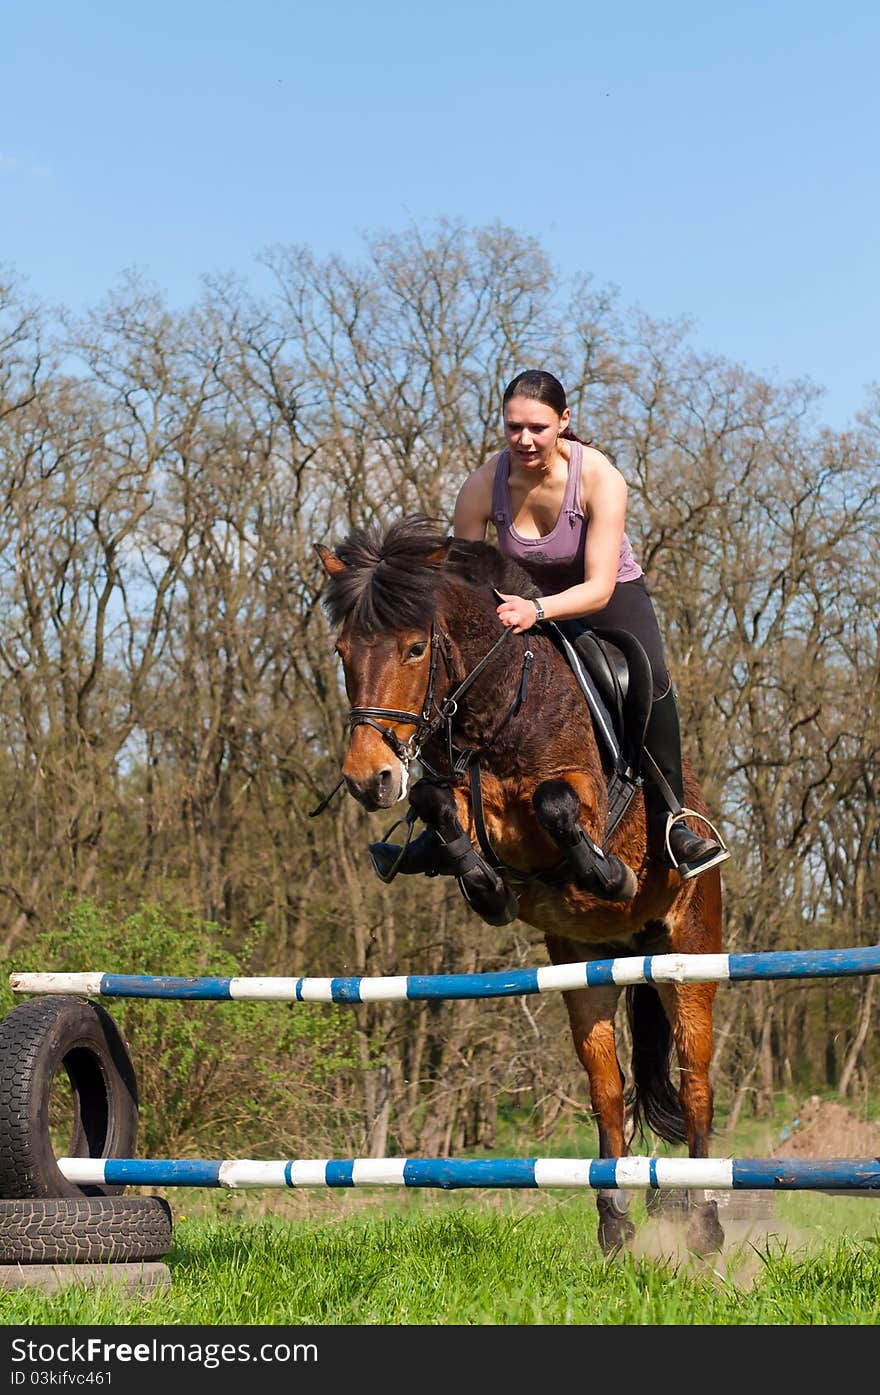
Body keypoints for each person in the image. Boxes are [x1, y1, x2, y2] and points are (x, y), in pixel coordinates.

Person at [371, 368, 729, 885]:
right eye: (514, 427)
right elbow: (462, 581)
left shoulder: (599, 478)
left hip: (602, 596)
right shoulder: (481, 486)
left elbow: (598, 586)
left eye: (537, 427)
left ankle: (672, 817)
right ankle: (439, 820)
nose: (525, 439)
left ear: (563, 421)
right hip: (520, 597)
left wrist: (536, 611)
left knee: (648, 675)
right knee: (450, 668)